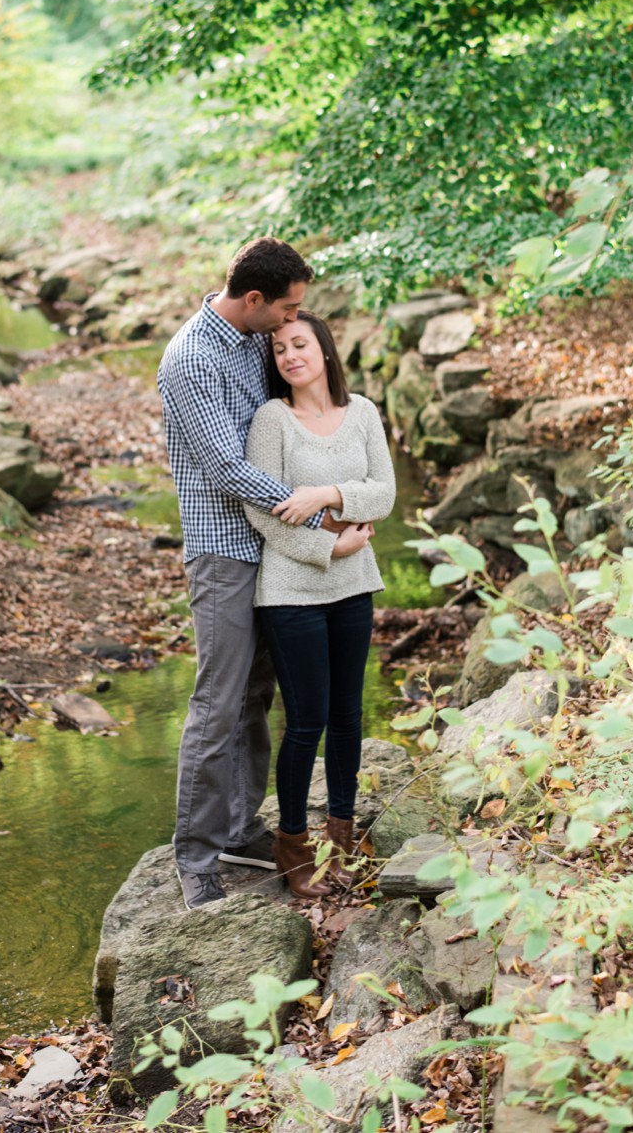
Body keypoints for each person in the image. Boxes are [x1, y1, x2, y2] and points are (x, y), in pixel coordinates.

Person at [158, 236, 339, 911]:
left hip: (273, 541)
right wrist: (321, 521)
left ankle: (239, 828)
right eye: (289, 306)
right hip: (223, 547)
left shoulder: (256, 338)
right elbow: (229, 469)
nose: (294, 319)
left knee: (258, 695)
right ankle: (196, 858)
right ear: (254, 299)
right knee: (218, 701)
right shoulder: (191, 359)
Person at [243, 311, 396, 899]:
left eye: (299, 343)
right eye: (279, 348)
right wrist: (330, 543)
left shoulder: (362, 413)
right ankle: (293, 845)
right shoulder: (272, 420)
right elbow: (262, 511)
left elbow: (383, 492)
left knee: (349, 717)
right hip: (292, 592)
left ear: (324, 350)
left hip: (356, 585)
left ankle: (343, 832)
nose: (289, 355)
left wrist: (325, 494)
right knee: (306, 722)